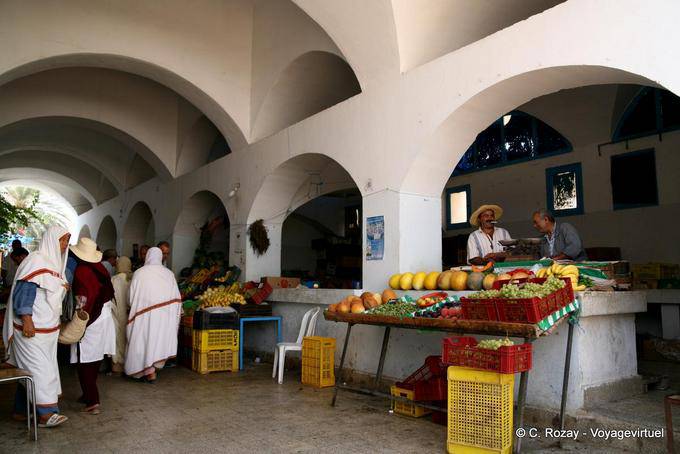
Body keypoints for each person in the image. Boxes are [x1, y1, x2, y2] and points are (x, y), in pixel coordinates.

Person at [2, 226, 70, 428]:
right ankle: (46, 415)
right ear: (52, 240)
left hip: (46, 331)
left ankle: (20, 410)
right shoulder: (36, 261)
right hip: (30, 330)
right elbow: (23, 292)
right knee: (41, 371)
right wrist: (27, 319)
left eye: (67, 240)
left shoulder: (54, 265)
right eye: (63, 240)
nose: (66, 245)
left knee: (30, 370)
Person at [69, 238, 116, 415]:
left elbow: (84, 298)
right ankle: (87, 394)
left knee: (84, 359)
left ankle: (92, 399)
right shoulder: (101, 268)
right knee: (95, 357)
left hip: (91, 316)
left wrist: (80, 320)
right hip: (104, 316)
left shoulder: (82, 270)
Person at [125, 247, 181, 382]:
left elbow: (130, 297)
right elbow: (176, 297)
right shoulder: (169, 274)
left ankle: (147, 370)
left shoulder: (139, 273)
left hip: (143, 317)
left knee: (143, 341)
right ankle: (152, 370)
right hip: (163, 317)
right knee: (157, 341)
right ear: (161, 257)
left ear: (147, 256)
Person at [111, 256, 132, 374]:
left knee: (117, 339)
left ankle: (117, 366)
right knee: (128, 339)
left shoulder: (113, 279)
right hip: (129, 315)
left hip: (116, 314)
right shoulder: (132, 279)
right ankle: (128, 365)